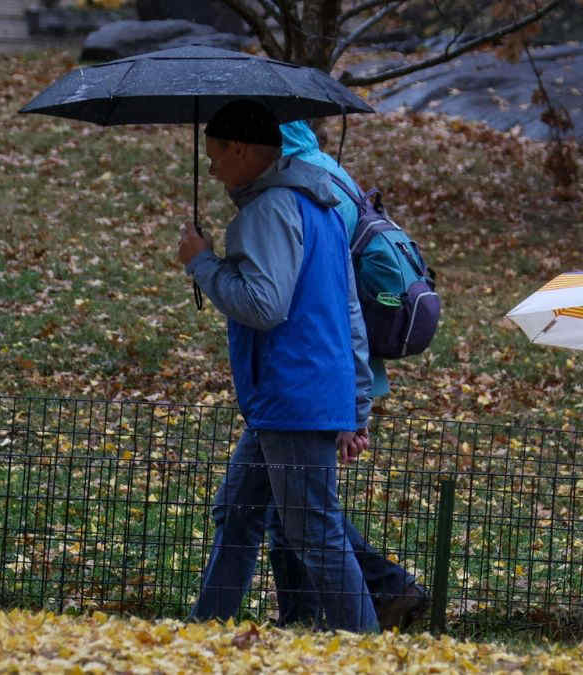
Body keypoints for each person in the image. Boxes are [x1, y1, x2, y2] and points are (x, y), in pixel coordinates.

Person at [178, 99, 377, 632]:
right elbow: (348, 309)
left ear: (241, 149)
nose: (212, 169)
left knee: (315, 532)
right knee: (237, 513)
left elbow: (265, 307)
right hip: (298, 396)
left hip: (291, 396)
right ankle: (207, 626)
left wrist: (202, 262)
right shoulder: (325, 207)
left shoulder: (268, 212)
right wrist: (357, 402)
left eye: (215, 155)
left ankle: (371, 648)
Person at [271, 118, 430, 630]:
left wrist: (353, 404)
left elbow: (338, 306)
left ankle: (384, 590)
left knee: (303, 507)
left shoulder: (304, 186)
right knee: (290, 502)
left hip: (327, 373)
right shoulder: (328, 172)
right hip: (337, 370)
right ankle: (308, 614)